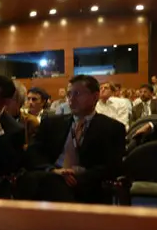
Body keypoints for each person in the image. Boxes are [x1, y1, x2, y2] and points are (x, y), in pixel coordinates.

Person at [19, 75, 126, 204]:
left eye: (77, 94)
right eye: (69, 94)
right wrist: (52, 170)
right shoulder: (52, 123)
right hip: (52, 174)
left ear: (95, 97)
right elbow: (33, 153)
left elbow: (113, 166)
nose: (71, 99)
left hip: (86, 182)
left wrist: (77, 173)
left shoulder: (113, 128)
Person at [5, 81, 40, 149]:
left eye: (10, 98)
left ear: (20, 101)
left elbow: (32, 149)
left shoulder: (31, 122)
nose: (5, 102)